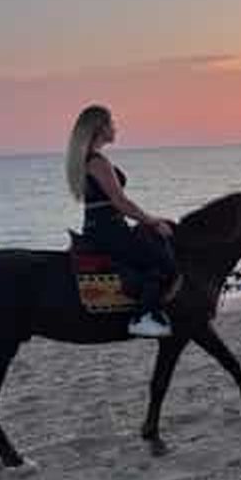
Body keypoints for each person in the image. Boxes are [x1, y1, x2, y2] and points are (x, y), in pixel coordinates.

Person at [65, 105, 177, 338]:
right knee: (164, 263)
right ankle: (142, 317)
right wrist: (152, 222)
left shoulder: (86, 160)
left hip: (101, 228)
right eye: (111, 123)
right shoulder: (98, 162)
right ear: (100, 128)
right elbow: (120, 201)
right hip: (110, 230)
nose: (115, 127)